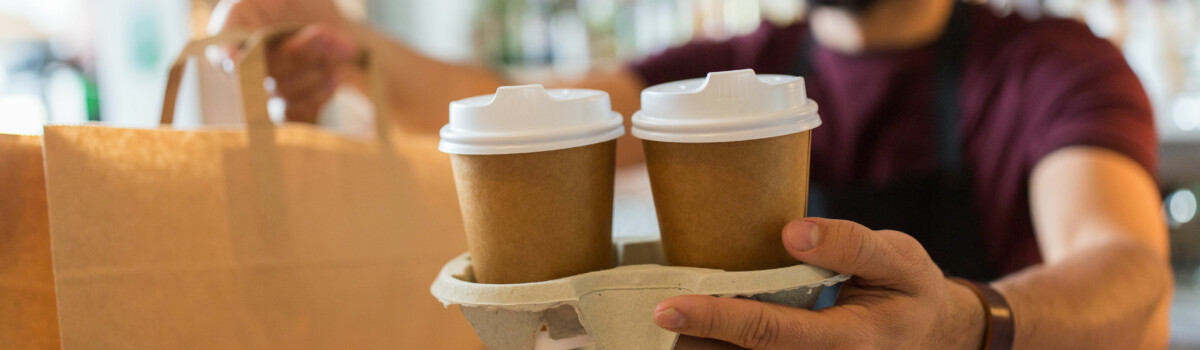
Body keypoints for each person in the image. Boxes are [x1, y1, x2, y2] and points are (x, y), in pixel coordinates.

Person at [210, 0, 1172, 348]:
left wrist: (963, 321)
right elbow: (512, 104)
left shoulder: (1053, 65)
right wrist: (344, 46)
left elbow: (1126, 271)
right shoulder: (731, 76)